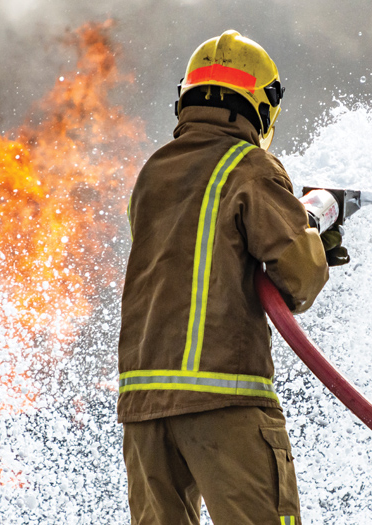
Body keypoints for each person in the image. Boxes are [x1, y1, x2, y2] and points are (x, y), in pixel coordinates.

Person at [117, 30, 346, 524]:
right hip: (225, 398)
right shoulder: (249, 165)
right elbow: (298, 277)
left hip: (144, 410)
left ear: (187, 97)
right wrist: (315, 236)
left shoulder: (153, 174)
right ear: (261, 106)